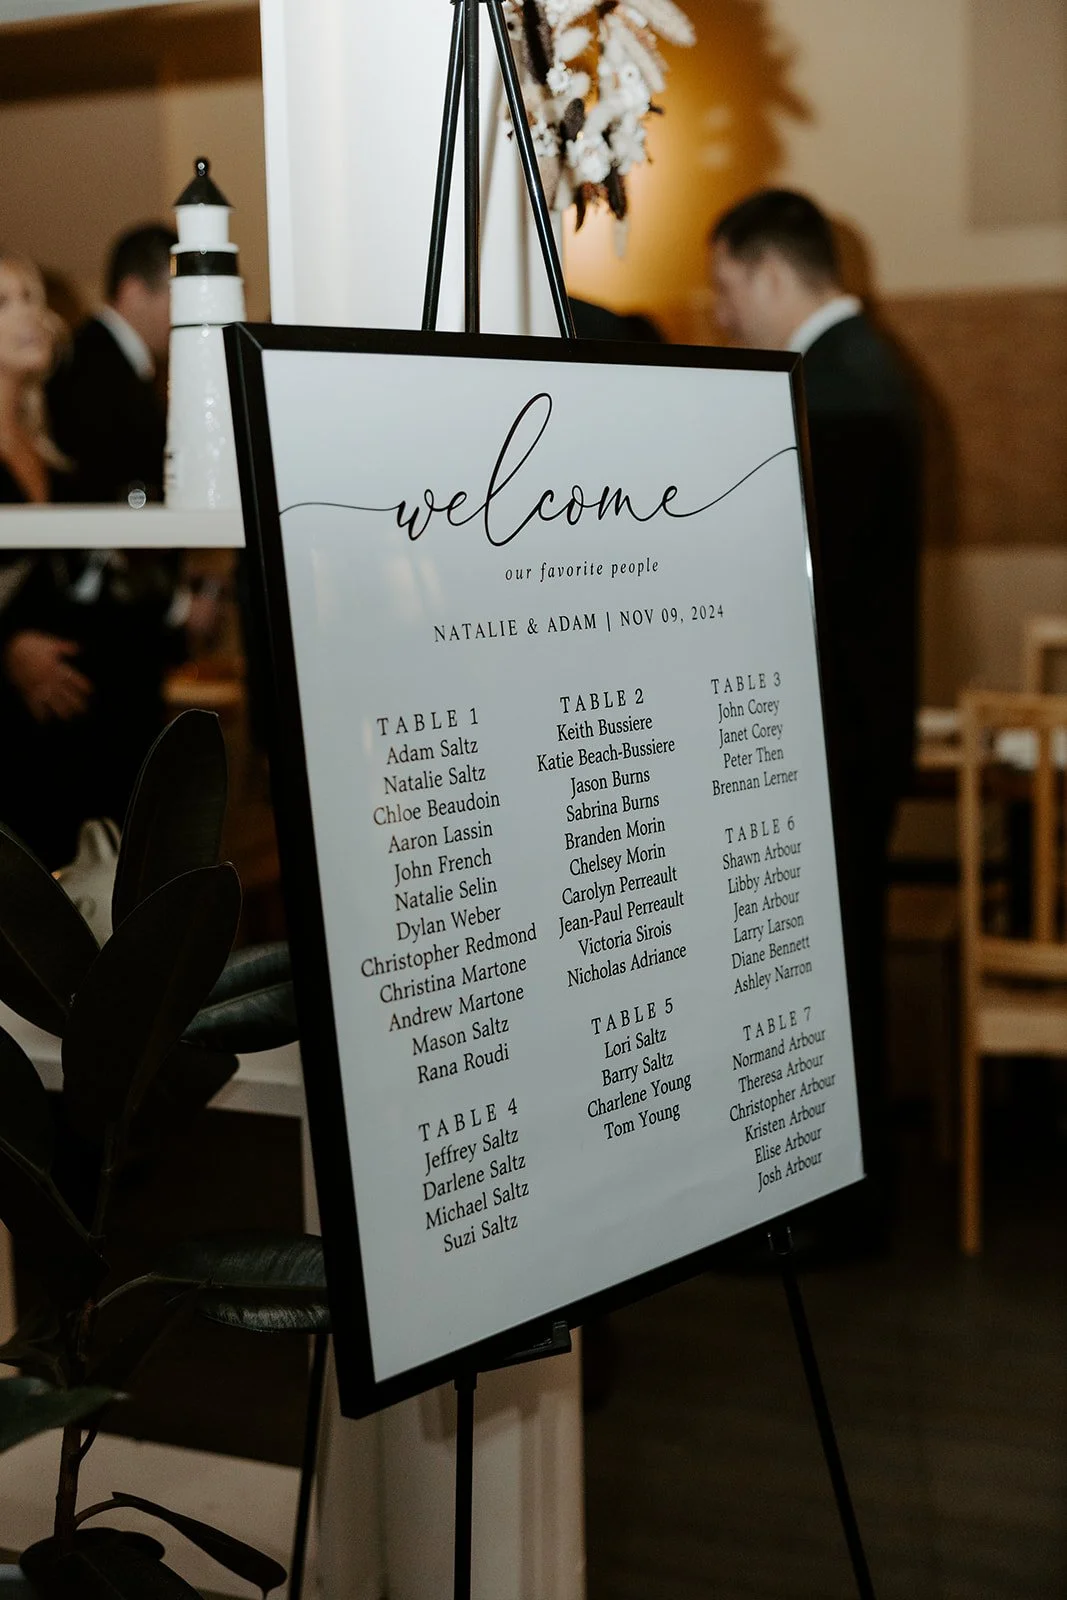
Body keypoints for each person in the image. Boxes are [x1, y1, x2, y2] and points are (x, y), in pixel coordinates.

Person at [709, 189, 923, 1253]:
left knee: (827, 975)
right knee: (831, 967)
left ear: (762, 271)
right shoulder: (861, 369)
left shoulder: (840, 389)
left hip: (834, 733)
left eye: (721, 288)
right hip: (855, 727)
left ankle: (833, 1216)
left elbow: (796, 581)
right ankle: (834, 1201)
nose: (719, 314)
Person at [0, 253, 197, 869]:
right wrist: (6, 647)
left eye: (33, 296)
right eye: (5, 302)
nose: (33, 314)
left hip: (72, 728)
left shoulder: (49, 441)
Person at [47, 223, 176, 504]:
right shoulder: (91, 366)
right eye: (176, 296)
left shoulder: (102, 356)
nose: (185, 312)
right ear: (133, 292)